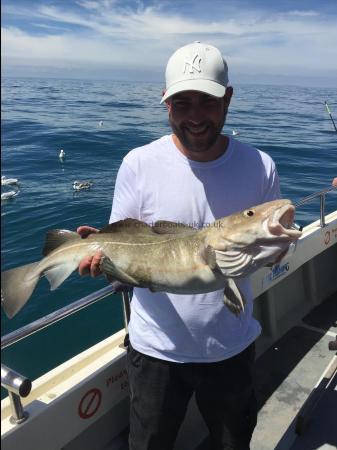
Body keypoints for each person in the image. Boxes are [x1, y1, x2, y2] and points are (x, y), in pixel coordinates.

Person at [78, 42, 281, 450]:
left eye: (206, 101)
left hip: (231, 346)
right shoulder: (139, 162)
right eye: (182, 102)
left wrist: (275, 250)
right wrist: (102, 261)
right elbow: (121, 242)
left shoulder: (261, 166)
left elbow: (272, 252)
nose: (194, 116)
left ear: (228, 98)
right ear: (165, 103)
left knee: (233, 443)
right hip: (155, 350)